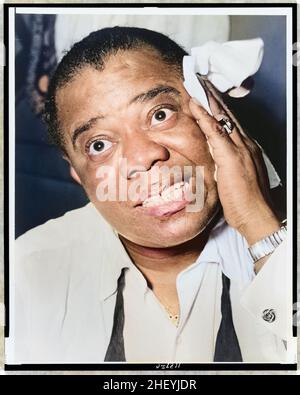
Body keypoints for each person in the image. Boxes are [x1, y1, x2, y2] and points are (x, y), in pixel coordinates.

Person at [9, 27, 292, 363]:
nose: (143, 156)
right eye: (99, 144)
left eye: (160, 115)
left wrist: (259, 227)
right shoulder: (26, 274)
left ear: (215, 115)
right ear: (78, 174)